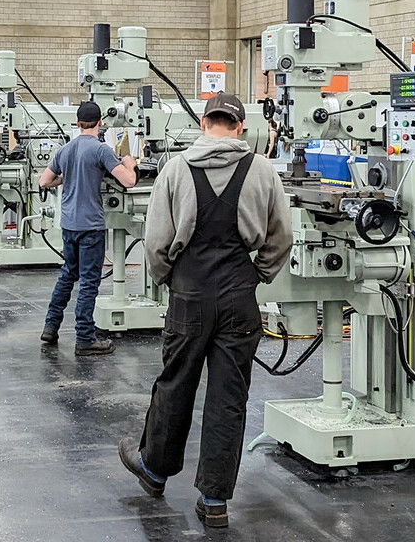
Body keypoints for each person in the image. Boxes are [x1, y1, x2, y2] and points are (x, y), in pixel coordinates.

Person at [118, 92, 292, 528]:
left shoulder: (176, 170)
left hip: (189, 292)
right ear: (239, 127)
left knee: (176, 382)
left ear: (202, 122)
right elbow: (281, 237)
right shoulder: (262, 170)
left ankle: (154, 469)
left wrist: (168, 280)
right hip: (239, 294)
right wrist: (258, 276)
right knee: (228, 398)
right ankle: (214, 501)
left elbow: (157, 242)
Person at [39, 101, 137, 356]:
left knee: (68, 275)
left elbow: (44, 180)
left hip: (69, 224)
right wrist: (129, 163)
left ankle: (51, 326)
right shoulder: (101, 150)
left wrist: (67, 177)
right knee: (89, 282)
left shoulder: (66, 150)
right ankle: (84, 337)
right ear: (100, 123)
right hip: (91, 225)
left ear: (78, 123)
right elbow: (129, 182)